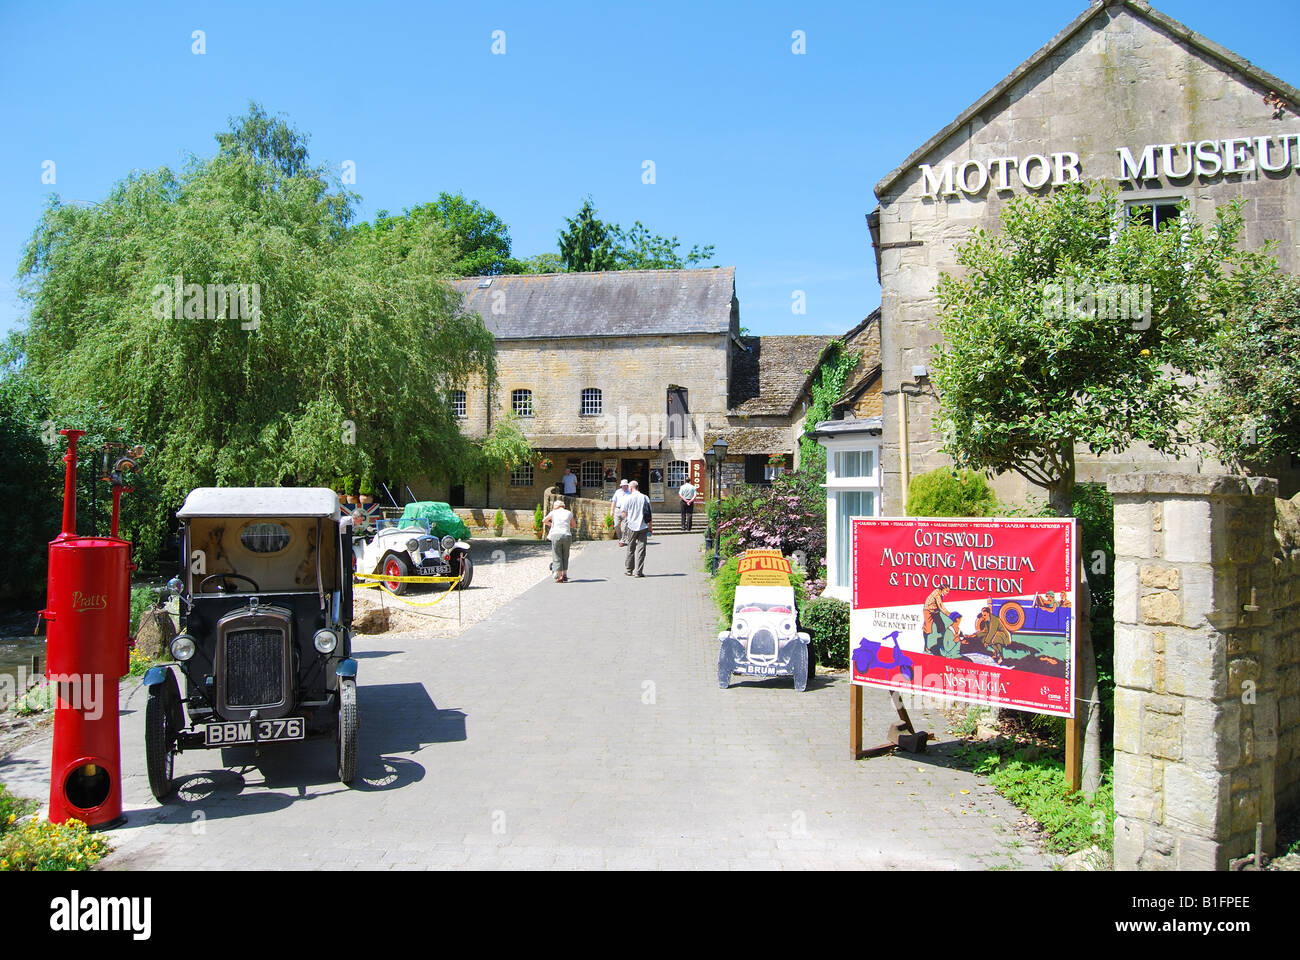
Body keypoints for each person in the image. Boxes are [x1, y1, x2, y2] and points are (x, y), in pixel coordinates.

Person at [621, 480, 652, 577]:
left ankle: (629, 570)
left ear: (630, 488)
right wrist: (650, 528)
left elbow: (623, 513)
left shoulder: (628, 498)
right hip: (643, 526)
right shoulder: (645, 497)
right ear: (637, 487)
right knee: (641, 549)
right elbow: (649, 514)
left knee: (630, 548)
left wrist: (626, 519)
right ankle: (639, 572)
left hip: (631, 526)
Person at [543, 498, 574, 582]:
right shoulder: (569, 513)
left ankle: (559, 576)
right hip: (567, 535)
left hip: (556, 535)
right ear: (563, 506)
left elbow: (544, 520)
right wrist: (566, 525)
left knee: (557, 555)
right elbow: (573, 525)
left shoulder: (553, 513)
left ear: (555, 507)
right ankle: (565, 574)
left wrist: (551, 524)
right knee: (565, 555)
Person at [610, 479, 631, 546]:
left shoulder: (630, 493)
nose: (624, 487)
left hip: (626, 511)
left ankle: (622, 540)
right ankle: (620, 538)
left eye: (625, 485)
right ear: (621, 486)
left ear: (627, 486)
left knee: (625, 527)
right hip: (618, 510)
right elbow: (614, 501)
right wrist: (612, 511)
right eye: (623, 486)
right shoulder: (617, 492)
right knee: (616, 525)